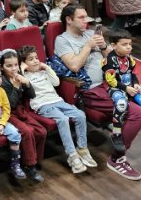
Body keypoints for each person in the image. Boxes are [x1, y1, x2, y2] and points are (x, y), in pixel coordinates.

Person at [54, 5, 141, 181]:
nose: (86, 21)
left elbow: (116, 60)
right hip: (91, 90)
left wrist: (104, 49)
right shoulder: (62, 40)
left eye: (87, 17)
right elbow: (74, 65)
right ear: (69, 19)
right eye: (81, 17)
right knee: (138, 113)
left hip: (114, 84)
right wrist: (88, 46)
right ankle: (117, 158)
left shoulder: (91, 33)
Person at [21, 45, 94, 174]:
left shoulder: (43, 72)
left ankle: (82, 148)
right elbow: (24, 88)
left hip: (58, 101)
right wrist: (22, 70)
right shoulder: (25, 77)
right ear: (24, 63)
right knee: (63, 119)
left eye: (37, 58)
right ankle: (72, 155)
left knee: (80, 114)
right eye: (31, 59)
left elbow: (56, 83)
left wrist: (47, 67)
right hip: (42, 105)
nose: (36, 61)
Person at [0, 48, 46, 182]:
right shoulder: (1, 82)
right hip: (6, 113)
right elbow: (9, 105)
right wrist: (17, 87)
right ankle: (30, 166)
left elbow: (32, 95)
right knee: (27, 131)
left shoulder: (19, 76)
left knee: (41, 131)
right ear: (1, 67)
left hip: (21, 110)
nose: (13, 69)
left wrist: (27, 83)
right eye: (8, 66)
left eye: (16, 65)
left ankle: (34, 159)